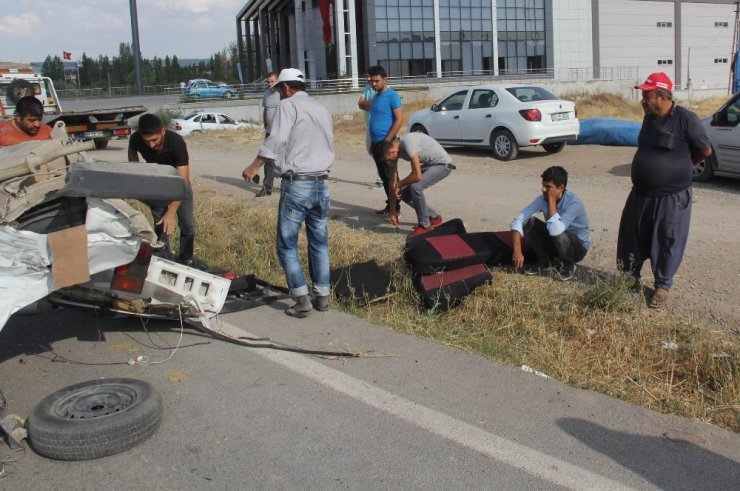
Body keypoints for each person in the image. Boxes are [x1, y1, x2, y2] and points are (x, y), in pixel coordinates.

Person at [242, 68, 334, 318]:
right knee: (319, 243)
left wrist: (255, 165)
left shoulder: (287, 106)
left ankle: (301, 298)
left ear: (285, 88)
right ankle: (322, 297)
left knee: (287, 244)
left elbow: (276, 139)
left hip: (298, 183)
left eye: (279, 90)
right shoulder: (321, 109)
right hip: (322, 183)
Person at [617, 72, 712, 309]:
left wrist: (679, 166)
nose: (642, 99)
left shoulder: (686, 119)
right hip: (641, 194)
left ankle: (662, 286)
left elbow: (704, 151)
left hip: (671, 197)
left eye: (646, 95)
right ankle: (629, 278)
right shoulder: (648, 118)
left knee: (667, 240)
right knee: (632, 236)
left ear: (661, 96)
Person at [128, 113, 195, 265]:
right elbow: (132, 152)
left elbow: (183, 183)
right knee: (161, 225)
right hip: (158, 186)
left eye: (154, 140)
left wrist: (171, 212)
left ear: (163, 131)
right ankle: (165, 261)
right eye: (147, 141)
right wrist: (136, 172)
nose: (151, 145)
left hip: (180, 184)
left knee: (187, 225)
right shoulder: (136, 139)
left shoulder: (175, 142)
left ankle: (187, 260)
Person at [510, 166, 590, 281]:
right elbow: (518, 220)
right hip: (557, 242)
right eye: (543, 185)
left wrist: (552, 200)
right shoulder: (543, 198)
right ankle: (545, 261)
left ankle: (568, 264)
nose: (543, 189)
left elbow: (556, 230)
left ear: (561, 188)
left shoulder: (574, 203)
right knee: (529, 222)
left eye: (548, 187)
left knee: (559, 232)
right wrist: (517, 251)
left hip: (577, 248)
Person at [374, 132, 454, 238]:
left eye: (388, 160)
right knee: (402, 190)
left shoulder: (408, 142)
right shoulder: (393, 152)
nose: (388, 163)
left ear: (392, 152)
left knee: (415, 187)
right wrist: (393, 210)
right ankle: (434, 218)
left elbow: (417, 176)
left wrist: (399, 184)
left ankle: (424, 226)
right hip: (428, 165)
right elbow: (392, 183)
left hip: (442, 165)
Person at [363, 65, 403, 216]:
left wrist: (387, 142)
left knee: (390, 177)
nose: (374, 84)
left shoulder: (392, 96)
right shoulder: (375, 97)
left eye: (377, 81)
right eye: (371, 81)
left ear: (385, 80)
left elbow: (399, 120)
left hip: (386, 144)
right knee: (384, 177)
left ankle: (396, 209)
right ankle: (390, 205)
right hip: (377, 143)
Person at [256, 72, 280, 197]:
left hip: (282, 132)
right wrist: (265, 122)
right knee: (267, 159)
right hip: (269, 132)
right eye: (268, 82)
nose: (270, 84)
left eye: (272, 81)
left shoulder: (282, 94)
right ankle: (267, 188)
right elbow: (266, 109)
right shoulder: (266, 94)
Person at [358, 69, 383, 188]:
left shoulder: (380, 90)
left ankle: (381, 179)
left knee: (379, 152)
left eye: (370, 77)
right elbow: (360, 103)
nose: (368, 79)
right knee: (370, 150)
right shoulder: (366, 87)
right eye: (366, 76)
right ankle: (382, 175)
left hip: (378, 126)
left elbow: (373, 105)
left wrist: (367, 104)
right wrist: (366, 104)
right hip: (369, 126)